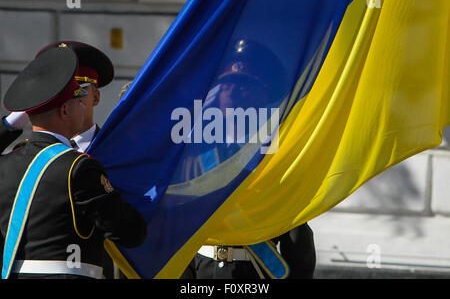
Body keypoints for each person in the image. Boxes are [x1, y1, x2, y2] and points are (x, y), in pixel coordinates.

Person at [0, 45, 147, 279]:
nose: (80, 103)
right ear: (65, 109)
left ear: (96, 96)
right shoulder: (81, 167)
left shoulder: (7, 164)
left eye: (82, 94)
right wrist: (10, 125)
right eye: (76, 98)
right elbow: (131, 231)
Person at [180, 39, 316, 279]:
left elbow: (295, 232)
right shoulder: (195, 157)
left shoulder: (276, 156)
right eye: (226, 83)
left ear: (264, 94)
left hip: (254, 271)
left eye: (243, 83)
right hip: (200, 270)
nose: (231, 91)